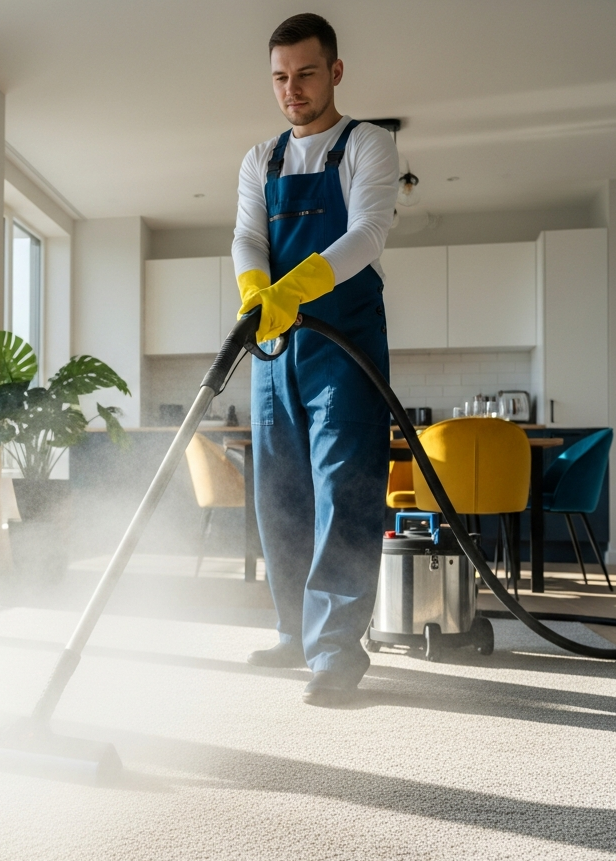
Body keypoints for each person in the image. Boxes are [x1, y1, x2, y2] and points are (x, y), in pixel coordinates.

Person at [232, 13, 399, 705]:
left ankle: (335, 652)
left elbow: (366, 234)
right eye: (279, 77)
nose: (291, 90)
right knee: (280, 493)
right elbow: (246, 234)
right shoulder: (259, 159)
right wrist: (253, 289)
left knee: (344, 488)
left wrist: (295, 287)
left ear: (334, 71)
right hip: (274, 344)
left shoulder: (370, 145)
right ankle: (294, 633)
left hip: (344, 342)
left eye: (304, 74)